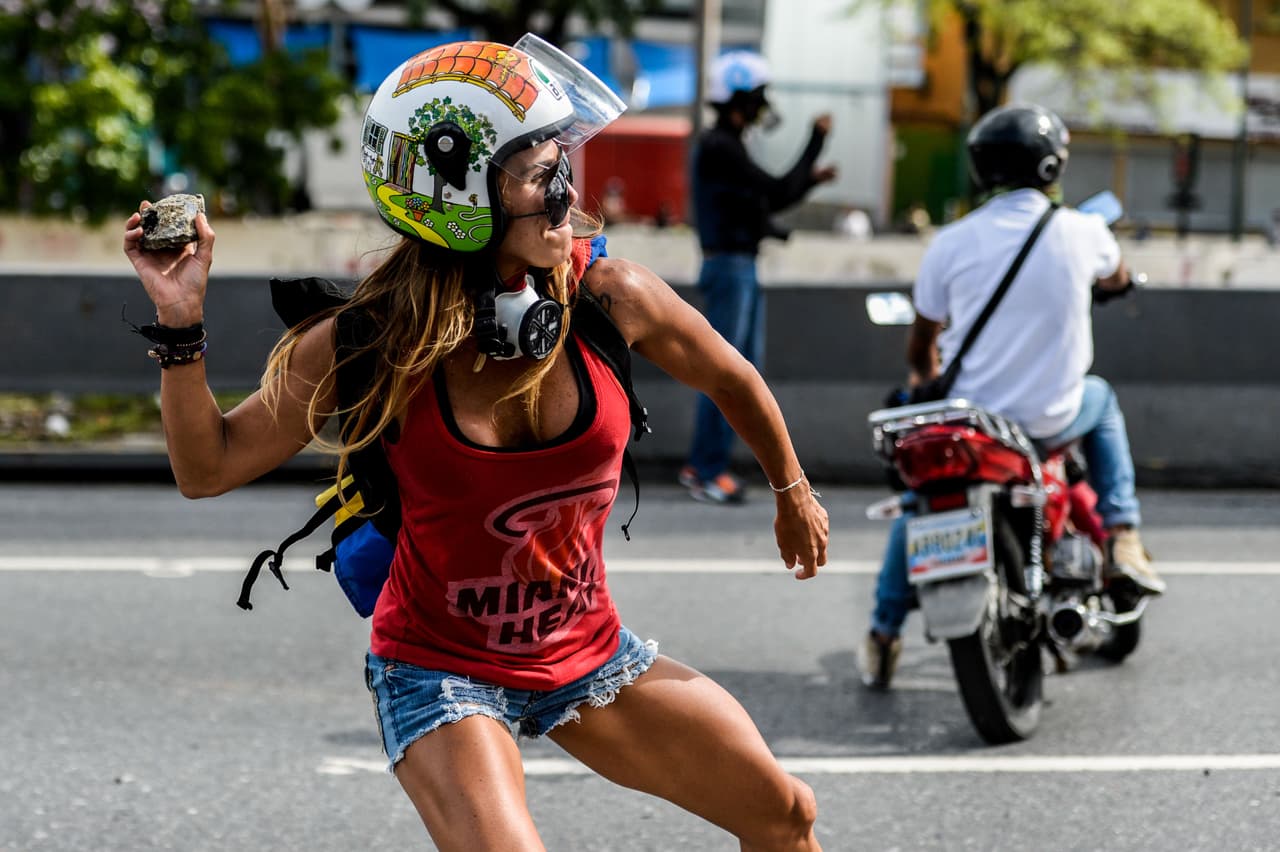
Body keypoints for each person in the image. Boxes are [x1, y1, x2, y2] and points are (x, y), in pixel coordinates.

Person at [122, 35, 829, 850]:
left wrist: (791, 489)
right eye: (539, 175)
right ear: (456, 197)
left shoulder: (607, 298)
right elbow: (206, 468)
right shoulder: (368, 344)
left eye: (563, 164)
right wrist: (180, 324)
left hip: (586, 652)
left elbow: (732, 377)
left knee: (786, 816)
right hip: (440, 671)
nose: (568, 196)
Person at [857, 103, 1166, 690]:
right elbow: (1118, 278)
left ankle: (883, 633)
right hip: (1050, 422)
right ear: (1052, 165)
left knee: (927, 501)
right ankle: (1123, 532)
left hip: (974, 428)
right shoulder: (1084, 231)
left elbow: (922, 345)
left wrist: (925, 387)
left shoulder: (950, 242)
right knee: (1101, 397)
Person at [679, 50, 838, 504]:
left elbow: (762, 205)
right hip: (730, 269)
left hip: (738, 267)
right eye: (758, 97)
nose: (763, 106)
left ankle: (710, 465)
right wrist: (814, 143)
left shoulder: (727, 147)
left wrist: (810, 178)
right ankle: (704, 468)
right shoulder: (721, 147)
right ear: (739, 99)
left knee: (738, 373)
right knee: (726, 374)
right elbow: (774, 193)